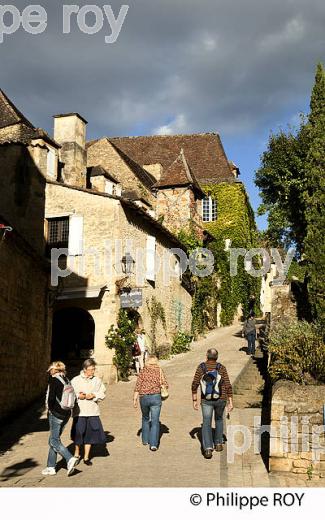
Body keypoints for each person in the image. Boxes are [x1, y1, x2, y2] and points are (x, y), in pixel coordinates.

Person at [191, 348, 233, 459]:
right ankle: (218, 443)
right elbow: (228, 385)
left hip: (206, 399)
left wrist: (194, 399)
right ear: (217, 357)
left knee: (206, 422)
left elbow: (195, 383)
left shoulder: (201, 367)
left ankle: (208, 448)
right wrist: (230, 401)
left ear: (206, 356)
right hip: (221, 398)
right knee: (219, 420)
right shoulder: (221, 368)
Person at [42, 361, 79, 476]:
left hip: (56, 414)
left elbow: (51, 399)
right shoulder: (67, 379)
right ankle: (51, 467)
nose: (49, 371)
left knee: (54, 440)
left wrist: (50, 411)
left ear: (54, 369)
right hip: (66, 413)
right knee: (53, 439)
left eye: (50, 369)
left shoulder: (54, 380)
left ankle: (69, 458)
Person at [70, 359, 106, 465]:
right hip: (80, 412)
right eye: (91, 369)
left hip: (92, 411)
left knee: (90, 435)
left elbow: (103, 393)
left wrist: (94, 395)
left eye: (94, 369)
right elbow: (70, 394)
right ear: (84, 369)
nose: (93, 372)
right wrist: (78, 396)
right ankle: (76, 453)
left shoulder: (97, 380)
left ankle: (86, 457)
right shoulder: (76, 380)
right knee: (78, 433)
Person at [133, 355, 168, 451]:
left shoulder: (143, 371)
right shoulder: (159, 370)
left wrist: (135, 398)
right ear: (156, 362)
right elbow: (165, 384)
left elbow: (138, 385)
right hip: (156, 397)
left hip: (143, 397)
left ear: (147, 362)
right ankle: (153, 444)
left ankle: (145, 440)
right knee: (155, 421)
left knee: (145, 418)